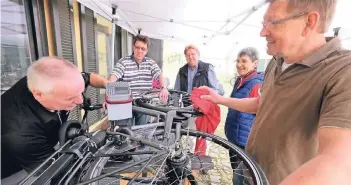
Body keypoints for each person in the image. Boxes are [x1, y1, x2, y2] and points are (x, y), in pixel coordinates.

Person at [200, 0, 351, 184]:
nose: (262, 32)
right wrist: (219, 99)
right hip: (247, 167)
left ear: (309, 21)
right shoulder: (277, 60)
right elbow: (262, 103)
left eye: (274, 22)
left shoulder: (343, 70)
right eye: (264, 23)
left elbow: (338, 161)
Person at [1, 57, 107, 183]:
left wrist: (110, 87)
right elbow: (55, 170)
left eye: (80, 92)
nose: (79, 101)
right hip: (15, 168)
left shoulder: (57, 83)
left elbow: (89, 77)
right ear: (39, 95)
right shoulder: (21, 131)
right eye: (70, 98)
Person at [108, 34, 169, 125]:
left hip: (143, 102)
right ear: (133, 47)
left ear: (146, 51)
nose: (140, 51)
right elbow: (113, 77)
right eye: (137, 47)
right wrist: (108, 95)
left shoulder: (150, 63)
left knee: (141, 132)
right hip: (125, 102)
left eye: (143, 49)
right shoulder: (123, 62)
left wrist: (164, 88)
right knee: (125, 133)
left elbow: (160, 75)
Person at [226, 47, 263, 170]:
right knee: (235, 171)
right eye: (237, 61)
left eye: (244, 61)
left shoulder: (256, 84)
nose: (239, 64)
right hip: (234, 137)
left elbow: (258, 111)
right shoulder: (241, 79)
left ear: (255, 63)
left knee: (240, 176)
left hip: (244, 141)